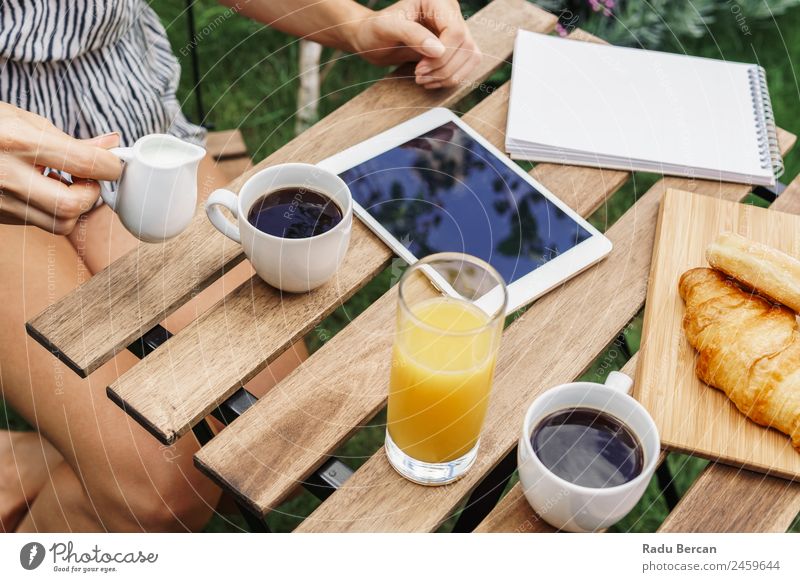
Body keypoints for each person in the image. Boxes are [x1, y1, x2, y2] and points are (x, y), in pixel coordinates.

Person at [0, 0, 480, 532]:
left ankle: (37, 458)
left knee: (272, 431)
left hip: (134, 130)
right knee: (156, 487)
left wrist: (353, 23)